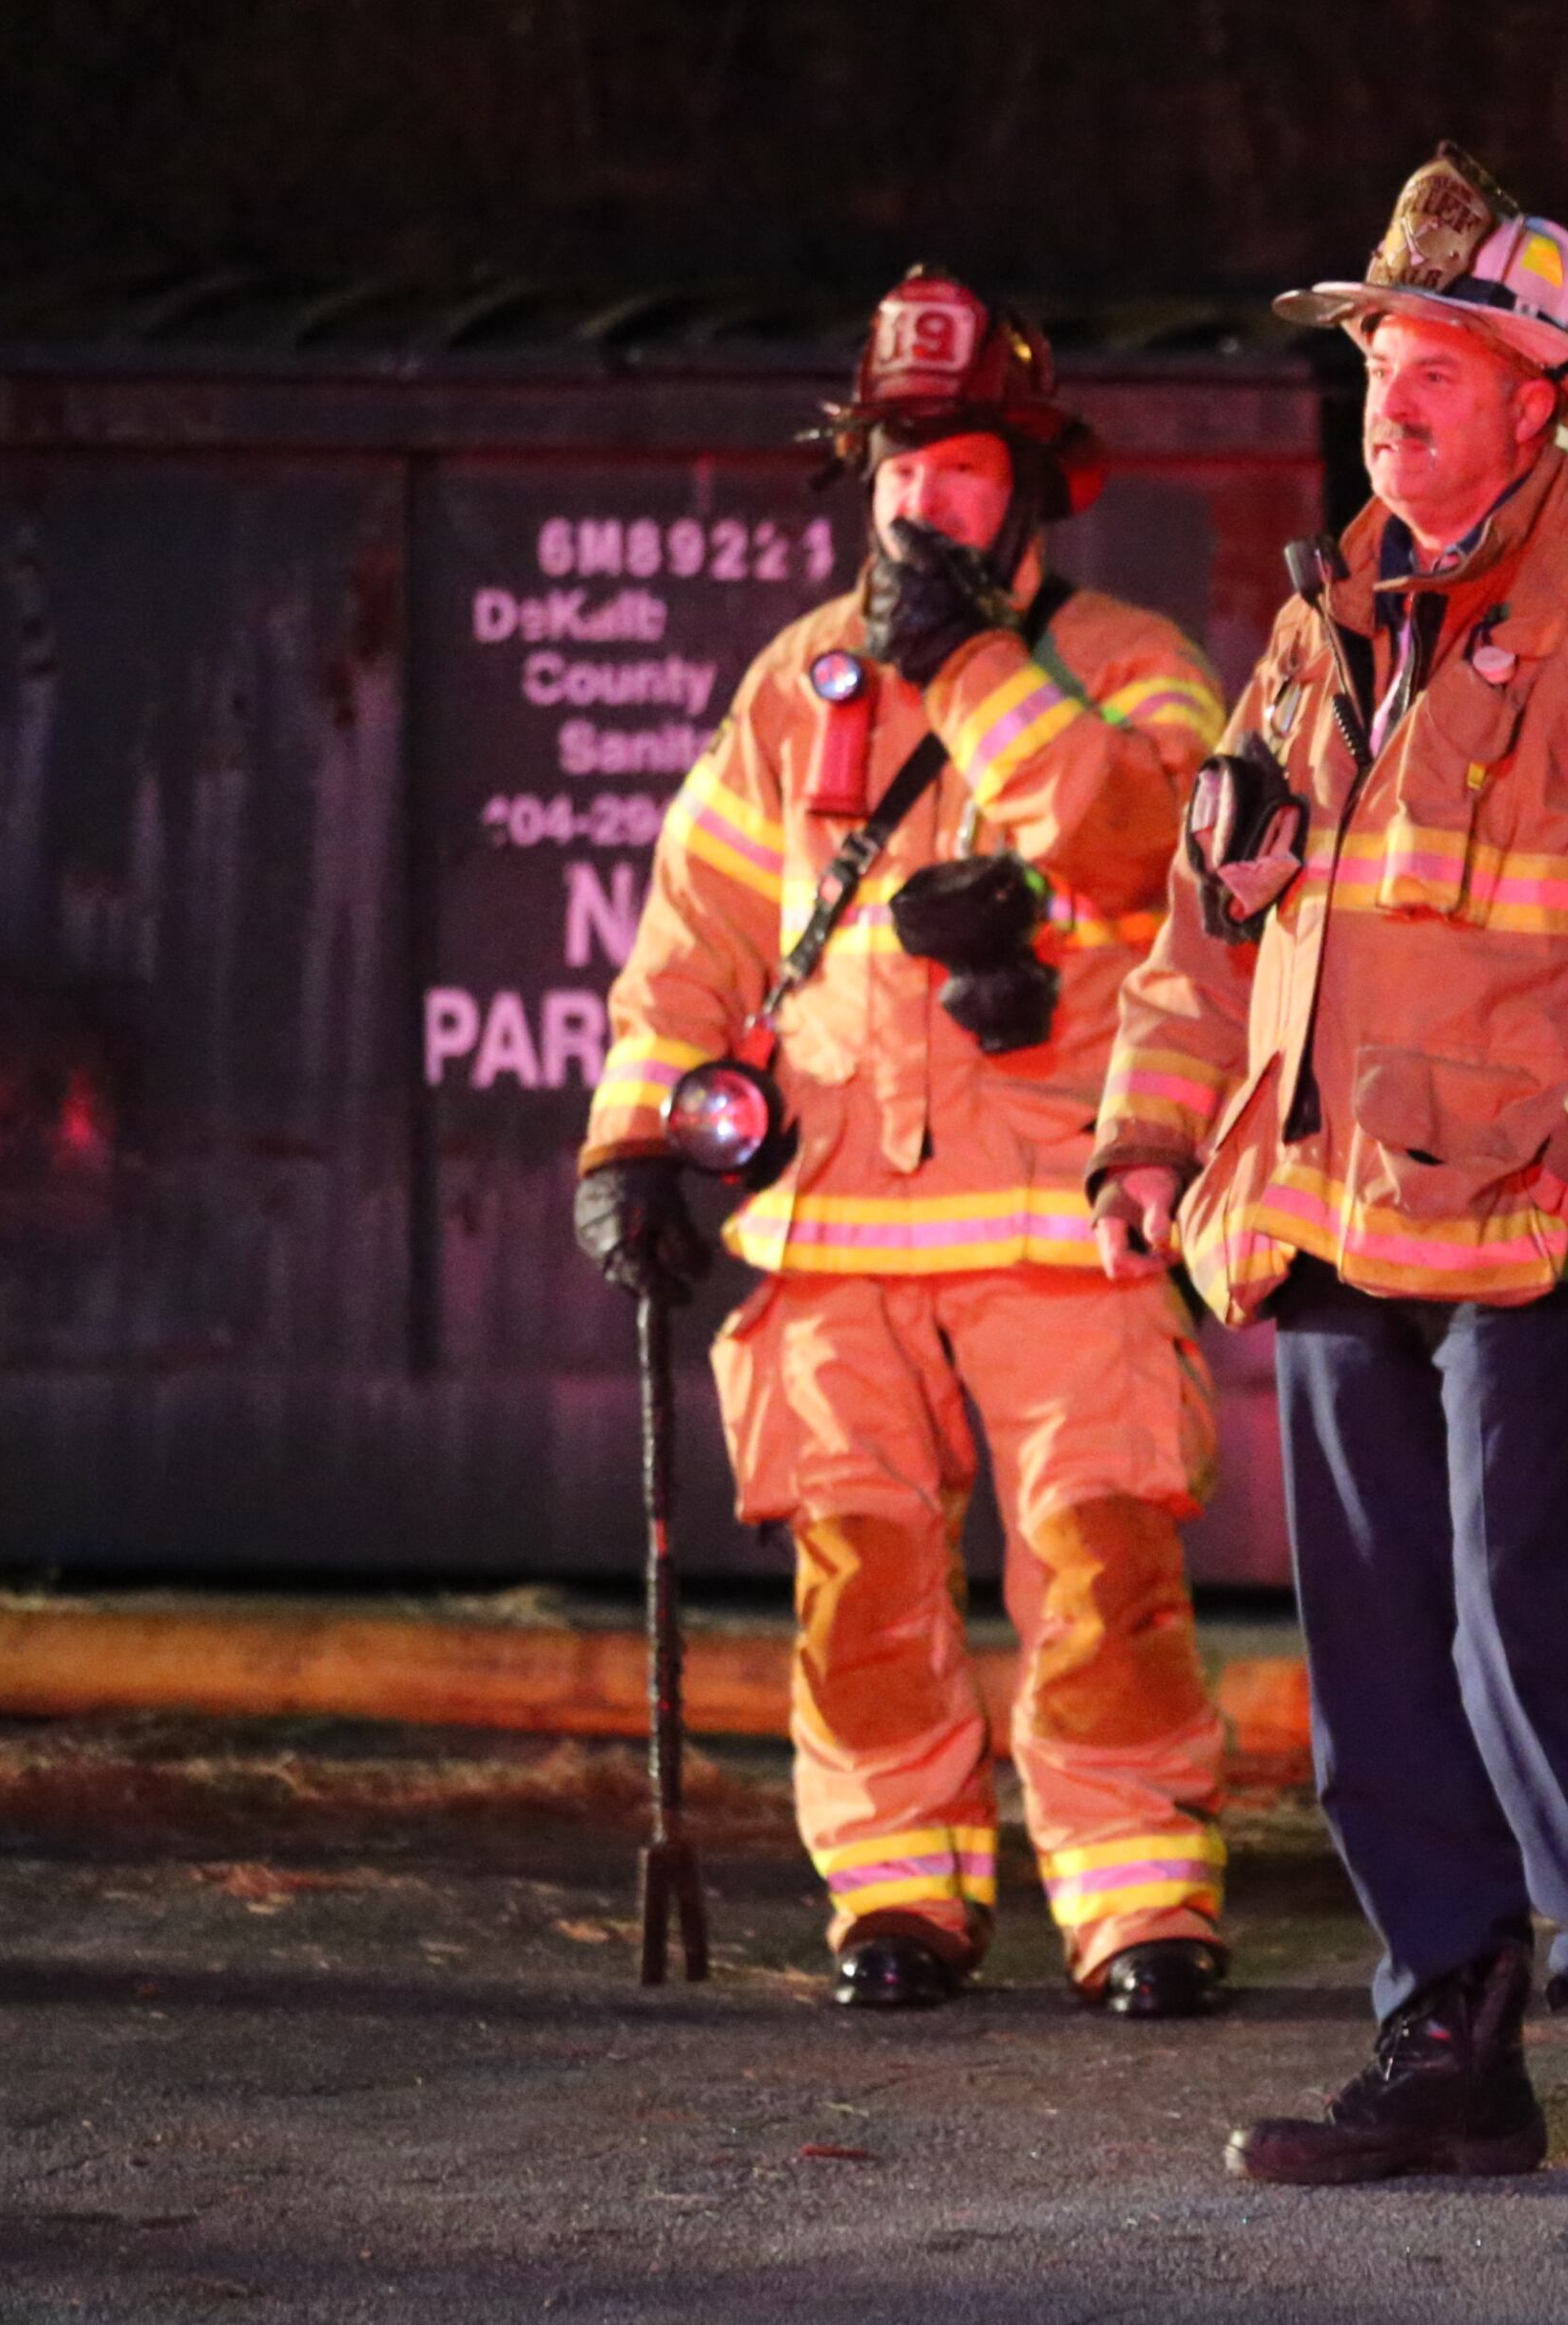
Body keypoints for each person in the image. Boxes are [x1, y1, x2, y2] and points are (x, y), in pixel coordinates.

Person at [1089, 146, 1568, 2206]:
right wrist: (1153, 1131)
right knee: (1384, 1658)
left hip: (1541, 1220)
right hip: (1328, 1218)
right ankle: (1448, 2043)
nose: (1391, 405)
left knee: (1523, 1626)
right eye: (1379, 371)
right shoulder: (1326, 633)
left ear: (1542, 399)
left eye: (1436, 369)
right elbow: (1209, 919)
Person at [573, 271, 1235, 2019]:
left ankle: (1137, 1903)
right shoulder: (801, 681)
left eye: (953, 466)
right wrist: (634, 1143)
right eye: (892, 464)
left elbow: (1147, 859)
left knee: (1103, 1574)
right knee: (856, 1588)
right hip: (837, 1231)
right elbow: (698, 933)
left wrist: (980, 674)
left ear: (1028, 483)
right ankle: (900, 1899)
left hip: (1060, 1226)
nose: (918, 498)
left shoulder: (1130, 669)